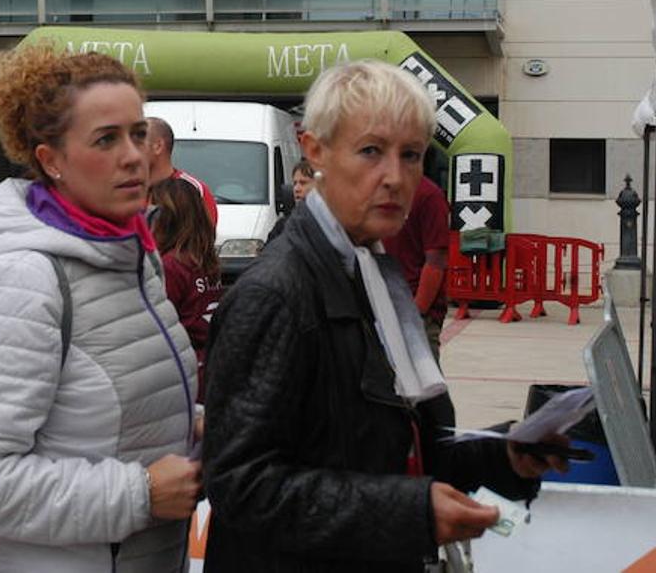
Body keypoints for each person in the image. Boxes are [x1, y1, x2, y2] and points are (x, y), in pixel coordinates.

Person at [202, 60, 564, 572]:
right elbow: (240, 486)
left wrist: (500, 456)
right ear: (314, 151)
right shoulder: (275, 295)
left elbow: (393, 450)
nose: (394, 177)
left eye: (411, 155)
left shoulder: (373, 271)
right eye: (371, 151)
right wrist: (408, 511)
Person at [0, 45, 201, 572]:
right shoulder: (27, 278)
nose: (134, 156)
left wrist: (186, 423)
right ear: (50, 160)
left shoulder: (132, 254)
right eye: (106, 139)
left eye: (138, 132)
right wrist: (140, 493)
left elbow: (95, 407)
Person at [151, 177, 223, 400]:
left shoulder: (171, 267)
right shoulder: (204, 259)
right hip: (211, 362)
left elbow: (159, 325)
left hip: (186, 370)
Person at [383, 169, 453, 362]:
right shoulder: (375, 191)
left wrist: (415, 313)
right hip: (381, 308)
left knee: (422, 385)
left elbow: (436, 262)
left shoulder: (429, 196)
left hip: (416, 313)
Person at [145, 116, 218, 225]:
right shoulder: (123, 190)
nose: (128, 149)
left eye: (137, 142)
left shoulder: (194, 191)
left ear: (158, 146)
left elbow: (202, 238)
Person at [265, 159, 315, 246]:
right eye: (295, 183)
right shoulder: (282, 227)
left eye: (303, 183)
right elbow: (267, 255)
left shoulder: (331, 227)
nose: (296, 189)